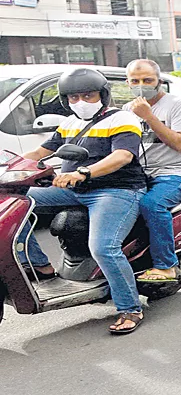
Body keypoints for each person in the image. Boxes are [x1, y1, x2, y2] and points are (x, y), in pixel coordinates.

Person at [18, 68, 148, 334]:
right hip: (74, 189)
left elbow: (122, 156)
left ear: (103, 95)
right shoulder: (70, 123)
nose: (81, 102)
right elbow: (38, 153)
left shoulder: (123, 119)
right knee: (13, 202)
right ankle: (40, 265)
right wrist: (10, 167)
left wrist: (82, 172)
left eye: (89, 95)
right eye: (74, 97)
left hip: (116, 191)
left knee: (103, 247)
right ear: (66, 100)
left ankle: (130, 308)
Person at [122, 59, 181, 283]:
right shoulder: (126, 110)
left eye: (148, 80)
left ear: (159, 81)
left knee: (152, 204)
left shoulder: (178, 105)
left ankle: (166, 265)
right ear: (127, 83)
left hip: (178, 173)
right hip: (140, 173)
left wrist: (149, 117)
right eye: (135, 81)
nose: (141, 85)